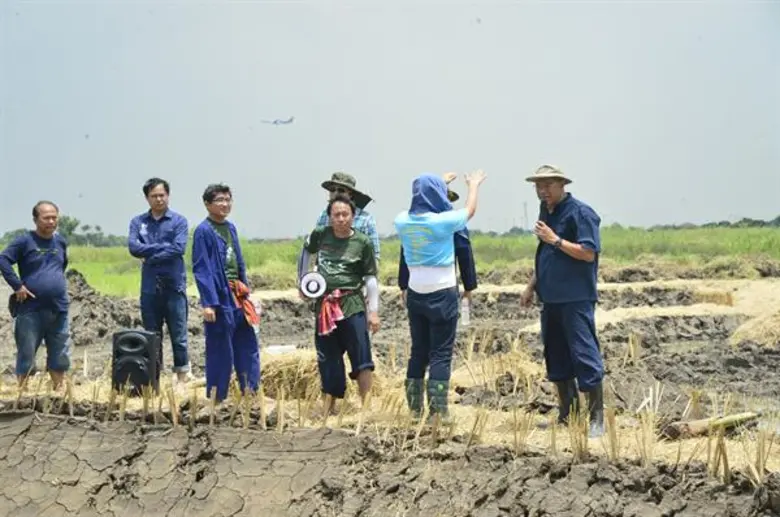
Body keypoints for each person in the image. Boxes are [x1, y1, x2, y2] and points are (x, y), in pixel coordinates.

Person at [520, 164, 605, 437]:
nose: (542, 191)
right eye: (538, 186)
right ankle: (568, 413)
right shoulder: (547, 211)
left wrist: (555, 239)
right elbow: (546, 252)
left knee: (584, 353)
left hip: (575, 297)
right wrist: (531, 285)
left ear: (562, 185)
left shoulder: (581, 213)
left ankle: (596, 419)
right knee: (556, 354)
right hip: (551, 298)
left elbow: (588, 253)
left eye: (548, 186)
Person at [394, 170, 486, 421]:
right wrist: (473, 185)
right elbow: (469, 211)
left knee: (418, 351)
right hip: (442, 293)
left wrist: (436, 184)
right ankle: (438, 412)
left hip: (415, 293)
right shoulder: (446, 224)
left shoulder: (402, 222)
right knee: (441, 353)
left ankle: (415, 411)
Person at [297, 194, 380, 413]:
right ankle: (329, 408)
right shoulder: (320, 235)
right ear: (330, 217)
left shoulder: (362, 242)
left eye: (345, 214)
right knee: (328, 357)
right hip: (325, 305)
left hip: (352, 303)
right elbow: (305, 252)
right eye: (336, 215)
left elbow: (371, 278)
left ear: (353, 216)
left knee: (361, 355)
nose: (341, 219)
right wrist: (303, 280)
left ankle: (366, 407)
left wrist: (373, 312)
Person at [191, 184, 260, 402]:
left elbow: (238, 262)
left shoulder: (230, 228)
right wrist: (208, 303)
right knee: (220, 349)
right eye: (220, 200)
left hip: (237, 295)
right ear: (207, 204)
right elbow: (202, 269)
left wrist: (246, 292)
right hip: (220, 296)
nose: (225, 204)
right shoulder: (204, 231)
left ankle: (250, 391)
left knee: (247, 343)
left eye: (228, 200)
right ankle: (217, 397)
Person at [0, 201, 71, 389]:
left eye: (54, 217)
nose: (51, 221)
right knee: (27, 350)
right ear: (35, 219)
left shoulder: (60, 242)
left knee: (60, 350)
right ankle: (22, 391)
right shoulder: (24, 241)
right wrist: (17, 286)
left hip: (58, 306)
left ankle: (59, 389)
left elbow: (61, 266)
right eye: (46, 218)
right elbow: (3, 260)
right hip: (30, 306)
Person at [127, 178, 191, 385]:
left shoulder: (179, 221)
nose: (159, 199)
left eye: (162, 195)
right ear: (147, 198)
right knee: (152, 335)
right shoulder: (138, 222)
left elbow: (178, 248)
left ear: (168, 196)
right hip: (150, 288)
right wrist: (162, 247)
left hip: (174, 286)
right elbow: (133, 248)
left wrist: (150, 256)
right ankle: (154, 378)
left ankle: (182, 377)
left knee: (179, 336)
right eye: (154, 196)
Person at [398, 173, 478, 305]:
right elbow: (465, 256)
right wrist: (469, 288)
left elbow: (406, 255)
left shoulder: (412, 223)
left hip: (416, 287)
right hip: (444, 288)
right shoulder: (451, 224)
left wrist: (404, 285)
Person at [314, 172, 380, 263]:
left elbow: (374, 255)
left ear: (350, 194)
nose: (336, 193)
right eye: (332, 190)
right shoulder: (323, 216)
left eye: (341, 190)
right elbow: (315, 249)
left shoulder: (365, 219)